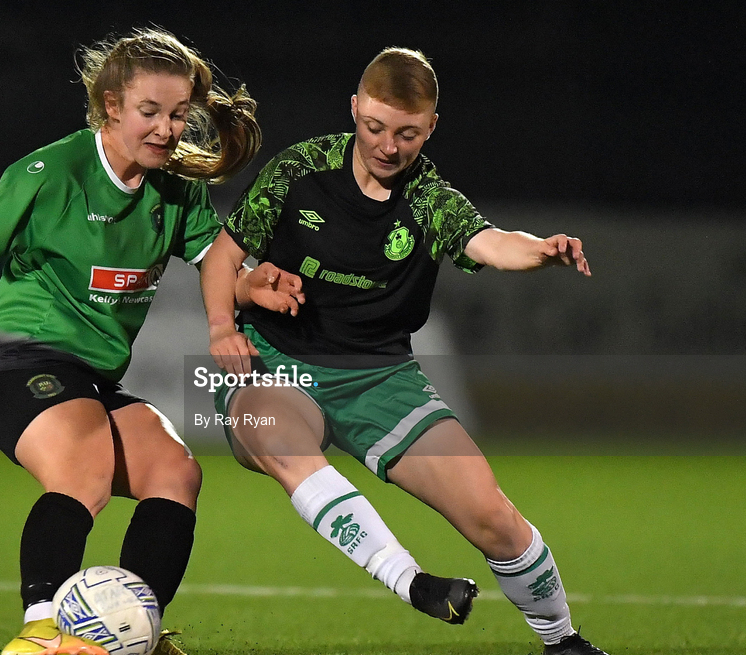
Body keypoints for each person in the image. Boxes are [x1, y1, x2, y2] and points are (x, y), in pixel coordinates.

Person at [0, 28, 297, 655]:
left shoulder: (177, 192)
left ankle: (134, 632)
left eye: (178, 115)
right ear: (112, 106)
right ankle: (41, 631)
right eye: (149, 112)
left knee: (175, 471)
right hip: (16, 359)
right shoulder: (54, 172)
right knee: (84, 473)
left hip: (92, 376)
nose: (165, 129)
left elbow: (220, 265)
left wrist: (253, 286)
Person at [201, 47, 607, 655]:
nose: (389, 147)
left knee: (492, 516)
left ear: (431, 127)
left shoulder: (428, 198)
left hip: (379, 377)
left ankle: (564, 642)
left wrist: (539, 250)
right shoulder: (300, 169)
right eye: (375, 127)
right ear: (356, 108)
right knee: (284, 446)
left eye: (408, 134)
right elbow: (225, 254)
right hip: (272, 363)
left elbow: (489, 240)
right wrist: (220, 329)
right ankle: (410, 581)